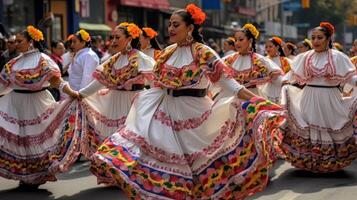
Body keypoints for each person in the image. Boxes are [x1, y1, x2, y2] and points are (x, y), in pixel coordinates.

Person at [90, 4, 284, 199]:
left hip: (194, 114)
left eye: (176, 25)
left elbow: (229, 84)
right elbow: (156, 83)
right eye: (170, 25)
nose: (171, 29)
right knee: (147, 157)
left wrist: (261, 103)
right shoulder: (167, 53)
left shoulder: (203, 52)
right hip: (163, 112)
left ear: (190, 28)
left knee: (197, 168)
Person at [0, 26, 80, 188]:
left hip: (36, 103)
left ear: (31, 42)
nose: (16, 44)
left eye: (20, 41)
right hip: (14, 103)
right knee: (20, 140)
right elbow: (2, 84)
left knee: (33, 139)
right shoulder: (14, 62)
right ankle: (24, 175)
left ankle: (36, 175)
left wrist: (72, 93)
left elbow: (56, 81)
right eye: (16, 41)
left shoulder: (43, 59)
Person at [280, 22, 357, 172]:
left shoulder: (338, 57)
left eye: (319, 38)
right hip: (309, 96)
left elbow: (351, 78)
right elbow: (292, 75)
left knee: (331, 127)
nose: (315, 41)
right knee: (308, 127)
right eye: (313, 38)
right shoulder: (305, 57)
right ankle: (310, 162)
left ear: (328, 39)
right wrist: (285, 82)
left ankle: (329, 163)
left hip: (330, 99)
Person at [77, 22, 155, 158]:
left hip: (133, 106)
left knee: (130, 149)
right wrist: (79, 94)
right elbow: (98, 83)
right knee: (112, 150)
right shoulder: (112, 60)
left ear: (129, 39)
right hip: (113, 106)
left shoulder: (141, 58)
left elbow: (155, 84)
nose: (113, 41)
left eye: (117, 38)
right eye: (112, 38)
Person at [222, 24, 283, 103]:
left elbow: (277, 76)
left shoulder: (259, 60)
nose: (237, 43)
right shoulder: (228, 59)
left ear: (250, 41)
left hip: (251, 98)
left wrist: (287, 85)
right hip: (230, 97)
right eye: (235, 40)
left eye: (240, 40)